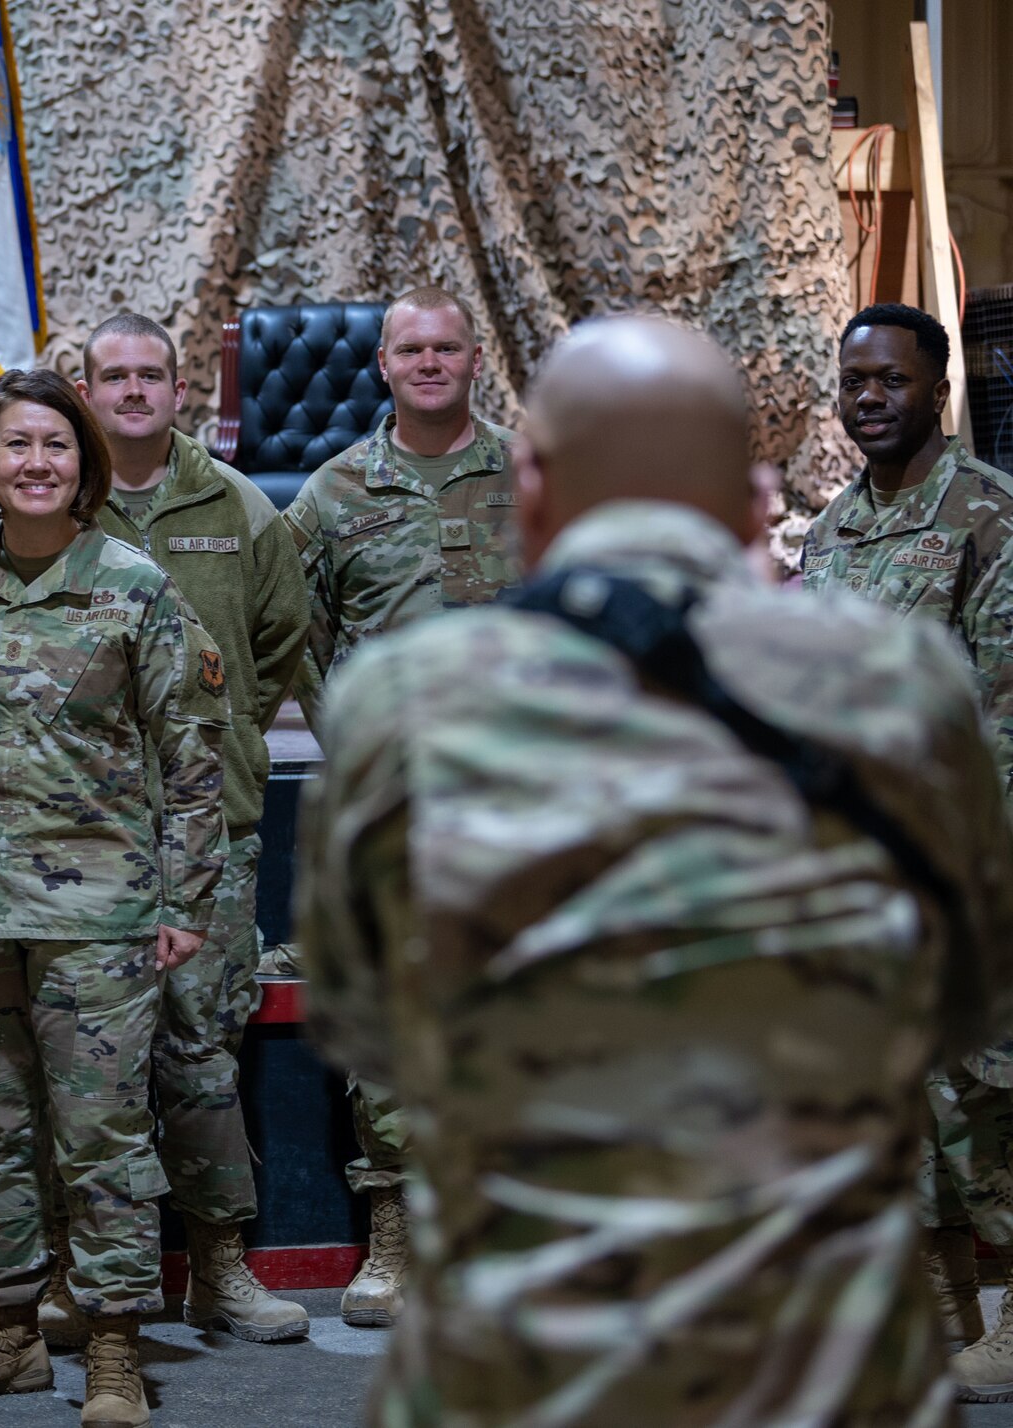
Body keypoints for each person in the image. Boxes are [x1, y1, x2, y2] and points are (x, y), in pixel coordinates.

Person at [298, 315, 1013, 1426]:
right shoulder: (897, 687)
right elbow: (963, 1006)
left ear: (526, 489)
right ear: (753, 497)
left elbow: (363, 1028)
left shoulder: (402, 701)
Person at [0, 368, 230, 1428]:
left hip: (100, 914)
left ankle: (111, 1350)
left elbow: (191, 758)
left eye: (53, 445)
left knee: (101, 1136)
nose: (34, 463)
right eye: (14, 447)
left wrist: (184, 901)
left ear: (82, 464)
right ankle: (6, 1335)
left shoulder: (132, 586)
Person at [53, 312, 308, 1346]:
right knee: (82, 1061)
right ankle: (84, 1274)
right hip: (76, 837)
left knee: (202, 1053)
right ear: (85, 390)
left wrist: (219, 746)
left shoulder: (238, 510)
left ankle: (217, 1269)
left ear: (178, 388)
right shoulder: (52, 503)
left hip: (207, 836)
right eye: (110, 377)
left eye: (148, 375)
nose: (130, 393)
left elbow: (276, 644)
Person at [281, 283, 519, 1328]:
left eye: (446, 348)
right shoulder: (333, 493)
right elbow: (290, 627)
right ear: (380, 366)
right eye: (408, 350)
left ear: (475, 360)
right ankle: (391, 1234)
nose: (428, 363)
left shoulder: (534, 477)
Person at [801, 302, 1013, 1402]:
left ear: (935, 389)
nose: (867, 398)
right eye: (853, 383)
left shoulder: (986, 517)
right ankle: (942, 1309)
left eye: (888, 380)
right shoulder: (832, 531)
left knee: (987, 1088)